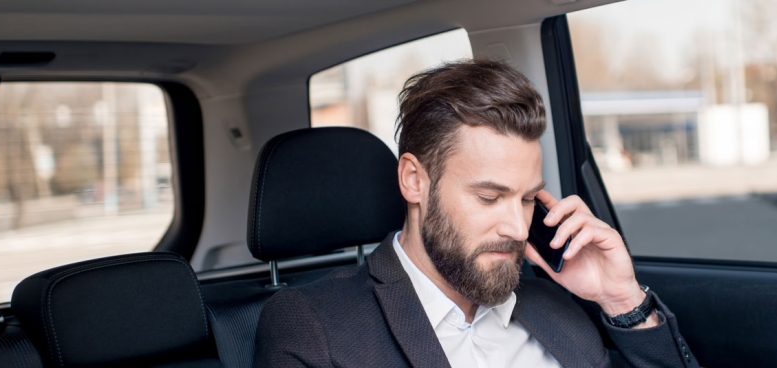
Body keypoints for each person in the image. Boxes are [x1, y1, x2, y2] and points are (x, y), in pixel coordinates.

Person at [254, 59, 698, 368]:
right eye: (489, 197)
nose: (517, 227)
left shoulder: (556, 309)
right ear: (414, 181)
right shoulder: (316, 325)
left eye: (528, 199)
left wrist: (622, 301)